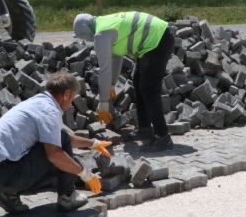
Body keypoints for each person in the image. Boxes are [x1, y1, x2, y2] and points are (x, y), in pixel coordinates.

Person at [0, 71, 110, 213]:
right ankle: (67, 197)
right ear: (66, 94)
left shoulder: (39, 103)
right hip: (5, 173)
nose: (71, 103)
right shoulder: (49, 110)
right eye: (72, 98)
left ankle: (7, 195)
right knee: (61, 162)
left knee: (62, 155)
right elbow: (55, 153)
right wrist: (85, 174)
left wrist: (93, 143)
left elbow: (64, 138)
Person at [73, 11, 176, 151]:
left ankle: (163, 138)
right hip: (157, 38)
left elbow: (104, 69)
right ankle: (145, 129)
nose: (85, 39)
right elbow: (116, 57)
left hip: (158, 39)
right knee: (139, 82)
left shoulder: (100, 34)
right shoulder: (104, 23)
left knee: (149, 89)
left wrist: (103, 101)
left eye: (81, 36)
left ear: (85, 31)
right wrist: (112, 85)